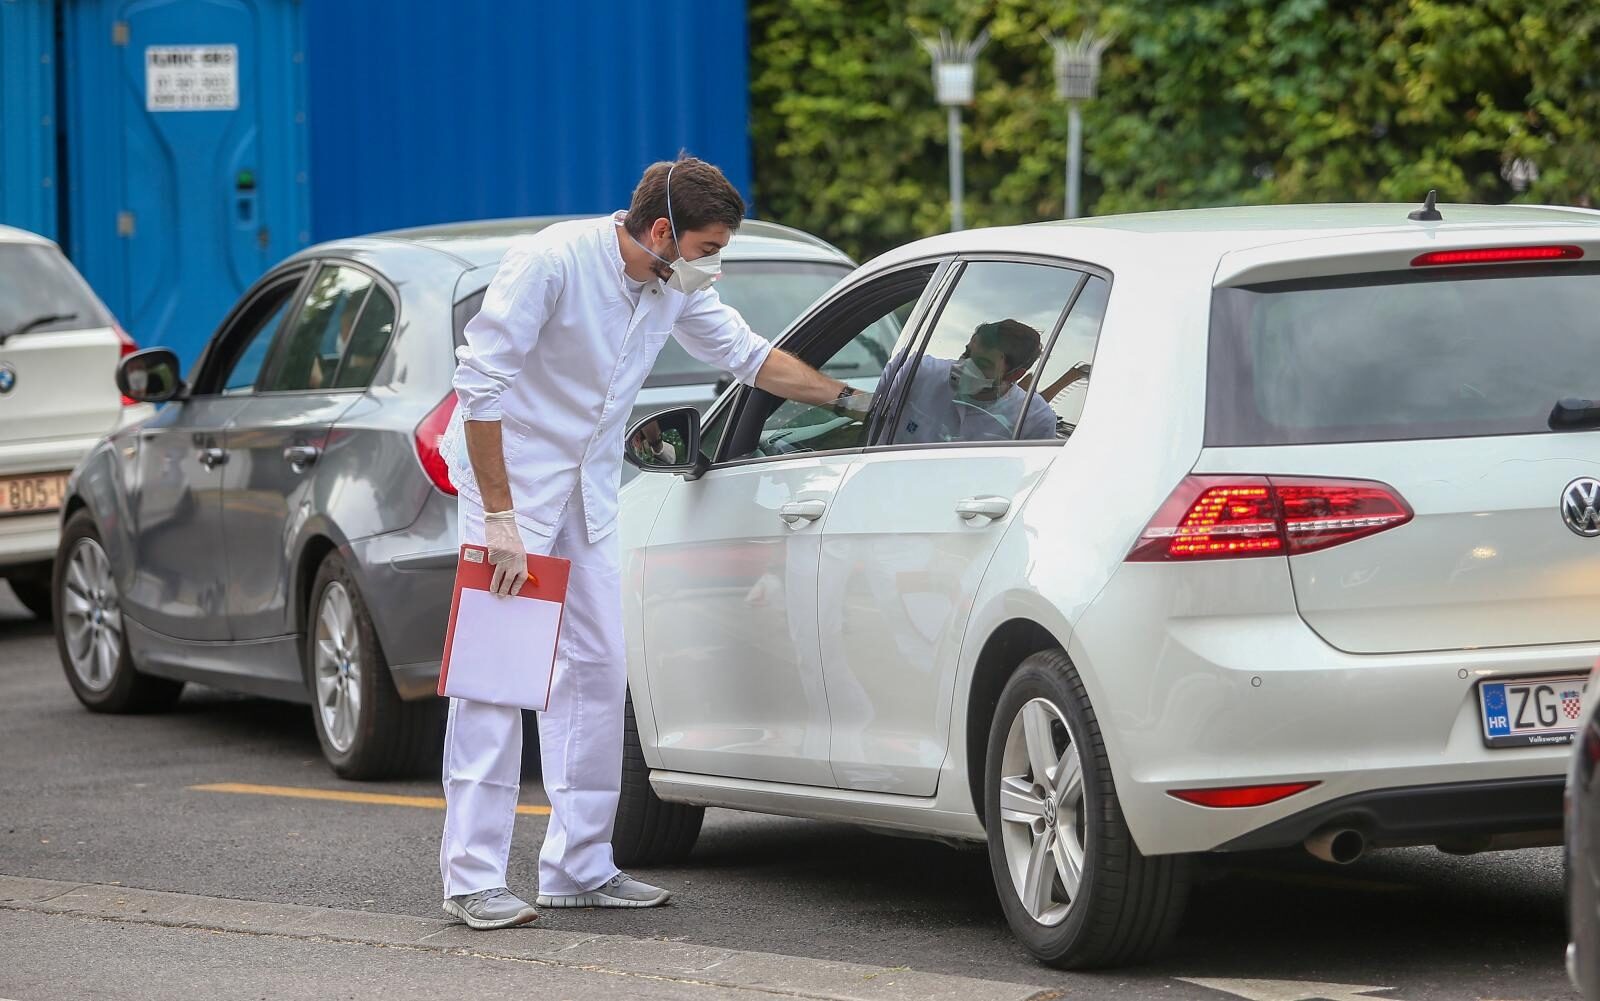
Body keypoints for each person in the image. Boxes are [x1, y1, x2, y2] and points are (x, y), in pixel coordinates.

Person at [434, 156, 870, 930]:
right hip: (513, 492)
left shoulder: (671, 285)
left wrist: (852, 398)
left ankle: (580, 866)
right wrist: (499, 517)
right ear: (663, 231)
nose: (716, 265)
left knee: (600, 669)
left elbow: (749, 356)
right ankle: (471, 876)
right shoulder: (552, 261)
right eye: (709, 248)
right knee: (498, 679)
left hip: (588, 493)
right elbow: (482, 385)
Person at [889, 318, 1058, 444]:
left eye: (983, 364)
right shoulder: (918, 372)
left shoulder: (1035, 420)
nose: (966, 366)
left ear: (1015, 375)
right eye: (967, 353)